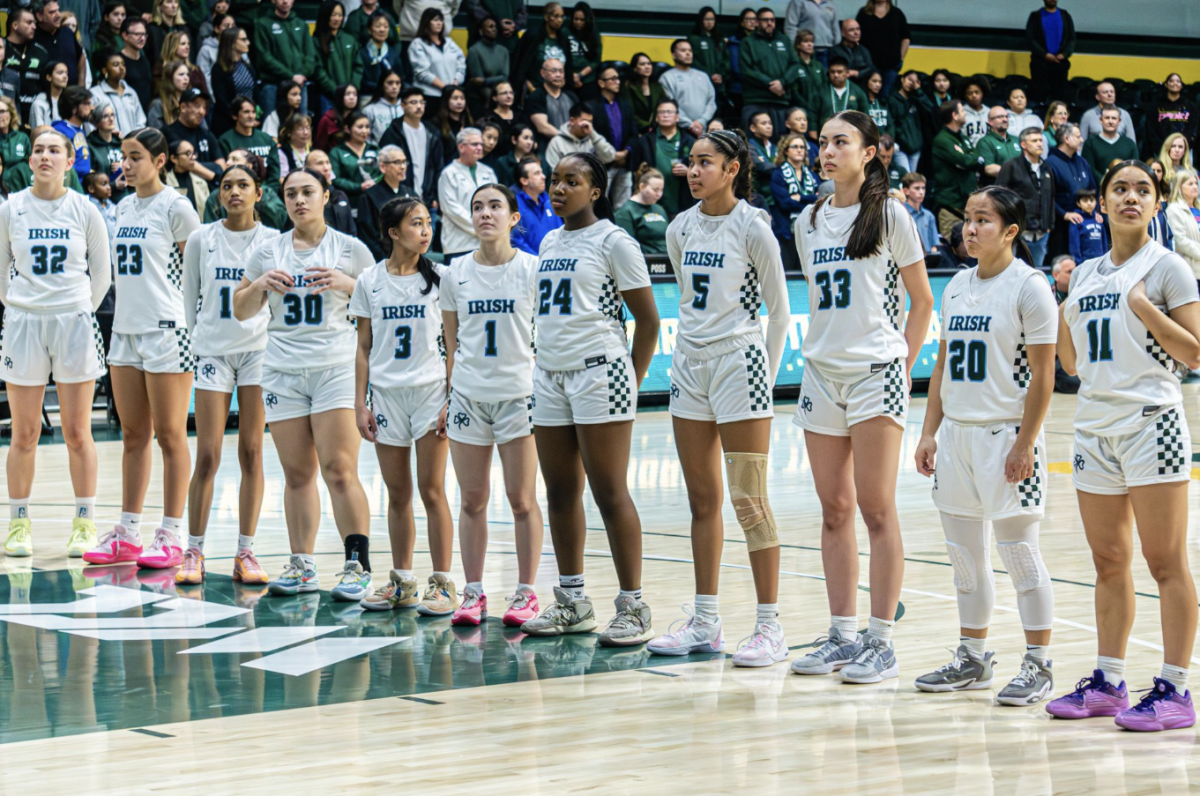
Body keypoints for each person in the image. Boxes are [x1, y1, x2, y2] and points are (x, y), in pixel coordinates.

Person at [1048, 159, 1200, 732]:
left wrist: (1142, 308)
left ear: (1156, 204)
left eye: (1143, 190)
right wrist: (1061, 302)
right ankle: (1109, 682)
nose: (1131, 197)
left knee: (1165, 563)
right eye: (1120, 190)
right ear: (1104, 203)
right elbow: (1069, 362)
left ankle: (1175, 690)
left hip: (1150, 423)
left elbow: (1195, 351)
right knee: (1109, 561)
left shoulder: (1169, 269)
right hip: (1093, 427)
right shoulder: (1084, 273)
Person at [789, 110, 933, 684]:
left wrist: (900, 358)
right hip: (821, 373)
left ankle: (881, 641)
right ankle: (841, 635)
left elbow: (921, 301)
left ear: (869, 152)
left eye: (840, 142)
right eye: (821, 142)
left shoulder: (891, 214)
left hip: (875, 373)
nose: (826, 151)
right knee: (834, 511)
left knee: (876, 509)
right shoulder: (808, 219)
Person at [647, 129, 792, 665]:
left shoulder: (753, 227)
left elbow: (779, 310)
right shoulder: (680, 227)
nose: (693, 171)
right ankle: (705, 623)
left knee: (749, 500)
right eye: (691, 162)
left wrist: (765, 379)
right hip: (689, 362)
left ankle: (769, 626)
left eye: (705, 162)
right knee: (702, 501)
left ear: (733, 169)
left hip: (741, 362)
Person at [913, 184, 1058, 704]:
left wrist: (1026, 442)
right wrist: (929, 431)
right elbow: (943, 368)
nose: (970, 229)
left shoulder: (1030, 287)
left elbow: (1044, 376)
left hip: (1005, 438)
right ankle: (972, 658)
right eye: (968, 220)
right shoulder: (954, 286)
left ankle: (1039, 664)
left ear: (1011, 231)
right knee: (964, 558)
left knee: (1019, 554)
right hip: (957, 437)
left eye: (983, 220)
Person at [516, 152, 659, 646]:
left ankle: (634, 606)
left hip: (601, 375)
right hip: (551, 375)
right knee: (559, 493)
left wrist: (630, 382)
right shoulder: (550, 240)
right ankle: (573, 601)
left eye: (571, 181)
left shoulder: (615, 241)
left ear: (595, 191)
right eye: (554, 180)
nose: (558, 188)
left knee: (609, 492)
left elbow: (649, 321)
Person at [232, 166, 376, 600]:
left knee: (338, 469)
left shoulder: (350, 250)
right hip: (281, 370)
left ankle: (357, 565)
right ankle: (302, 564)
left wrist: (347, 283)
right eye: (291, 193)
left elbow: (381, 302)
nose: (299, 200)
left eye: (308, 192)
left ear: (326, 195)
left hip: (335, 368)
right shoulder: (267, 252)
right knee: (296, 474)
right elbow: (240, 310)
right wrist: (258, 285)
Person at [82, 127, 202, 569]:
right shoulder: (122, 206)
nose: (125, 165)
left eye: (135, 157)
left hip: (169, 330)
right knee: (133, 435)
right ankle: (128, 533)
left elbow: (198, 273)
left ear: (160, 161)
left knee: (171, 435)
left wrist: (197, 326)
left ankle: (171, 534)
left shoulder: (177, 207)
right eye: (122, 157)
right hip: (126, 331)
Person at [435, 183, 546, 626]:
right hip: (468, 396)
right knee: (472, 499)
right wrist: (447, 396)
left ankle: (525, 593)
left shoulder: (533, 270)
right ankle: (474, 592)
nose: (485, 214)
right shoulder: (454, 273)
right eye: (478, 207)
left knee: (521, 499)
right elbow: (449, 342)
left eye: (495, 206)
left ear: (514, 218)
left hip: (519, 396)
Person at [0, 129, 111, 560]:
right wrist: (23, 307)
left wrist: (76, 308)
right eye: (38, 150)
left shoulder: (85, 210)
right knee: (24, 432)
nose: (45, 156)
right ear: (29, 161)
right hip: (24, 322)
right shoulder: (11, 209)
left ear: (69, 161)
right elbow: (1, 274)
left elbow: (101, 275)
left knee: (77, 431)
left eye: (54, 150)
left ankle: (85, 522)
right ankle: (18, 523)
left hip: (74, 323)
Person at [353, 197, 458, 616]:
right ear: (393, 232)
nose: (425, 230)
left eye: (428, 223)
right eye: (416, 223)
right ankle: (402, 580)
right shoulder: (369, 280)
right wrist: (360, 403)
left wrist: (454, 397)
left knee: (432, 491)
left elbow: (455, 344)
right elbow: (363, 347)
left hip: (431, 393)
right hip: (386, 396)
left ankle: (444, 584)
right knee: (398, 494)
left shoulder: (443, 279)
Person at [176, 164, 278, 585]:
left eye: (243, 185)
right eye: (227, 186)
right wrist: (194, 343)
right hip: (213, 350)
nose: (234, 191)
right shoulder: (202, 238)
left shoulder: (273, 240)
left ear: (258, 193)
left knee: (252, 452)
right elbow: (189, 295)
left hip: (258, 351)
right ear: (218, 194)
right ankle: (193, 551)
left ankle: (245, 551)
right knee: (207, 454)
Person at [996, 126, 1055, 267]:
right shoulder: (1011, 165)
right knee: (1014, 273)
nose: (1039, 144)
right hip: (1019, 232)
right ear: (1023, 144)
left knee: (1036, 273)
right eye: (1034, 140)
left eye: (1040, 140)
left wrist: (1049, 224)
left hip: (1042, 233)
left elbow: (1051, 197)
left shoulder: (1046, 167)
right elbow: (999, 196)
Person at [627, 98, 695, 219]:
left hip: (682, 204)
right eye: (661, 112)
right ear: (656, 118)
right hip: (651, 204)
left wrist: (688, 171)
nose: (665, 115)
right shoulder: (645, 141)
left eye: (669, 112)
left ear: (677, 117)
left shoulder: (690, 141)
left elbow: (700, 170)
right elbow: (635, 171)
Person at [437, 127, 497, 258]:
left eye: (481, 144)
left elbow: (496, 203)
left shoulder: (489, 172)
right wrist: (479, 225)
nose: (480, 148)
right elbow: (451, 208)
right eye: (475, 144)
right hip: (458, 245)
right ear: (461, 147)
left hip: (485, 243)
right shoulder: (448, 174)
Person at [379, 87, 444, 203]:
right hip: (399, 197)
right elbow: (385, 164)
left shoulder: (433, 133)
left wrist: (435, 196)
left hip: (427, 198)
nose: (418, 106)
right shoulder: (394, 132)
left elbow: (437, 166)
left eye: (422, 102)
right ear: (402, 105)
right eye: (413, 102)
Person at [252, 0, 316, 118]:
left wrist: (301, 75)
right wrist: (291, 76)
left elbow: (310, 55)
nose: (285, 1)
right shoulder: (262, 24)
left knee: (300, 125)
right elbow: (265, 57)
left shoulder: (301, 24)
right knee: (271, 127)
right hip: (273, 85)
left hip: (299, 84)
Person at [739, 7, 795, 134]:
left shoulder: (784, 40)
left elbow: (795, 65)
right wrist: (771, 84)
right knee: (753, 143)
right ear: (757, 22)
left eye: (772, 20)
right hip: (756, 100)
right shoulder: (748, 42)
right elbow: (747, 70)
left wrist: (782, 82)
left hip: (781, 100)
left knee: (780, 143)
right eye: (765, 20)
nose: (770, 23)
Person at [356, 145, 417, 260]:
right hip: (383, 260)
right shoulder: (369, 196)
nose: (403, 167)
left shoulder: (411, 194)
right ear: (383, 167)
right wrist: (386, 260)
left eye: (404, 162)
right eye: (397, 162)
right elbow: (368, 236)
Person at [586, 65, 634, 205]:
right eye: (612, 79)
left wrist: (626, 152)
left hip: (624, 163)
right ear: (601, 83)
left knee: (623, 205)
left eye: (618, 78)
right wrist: (612, 155)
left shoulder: (625, 105)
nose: (617, 82)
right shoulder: (591, 107)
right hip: (602, 164)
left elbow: (634, 133)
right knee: (599, 204)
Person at [769, 131, 818, 271]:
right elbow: (785, 203)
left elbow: (819, 200)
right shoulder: (778, 174)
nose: (799, 150)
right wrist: (810, 200)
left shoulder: (812, 175)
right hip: (786, 233)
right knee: (789, 274)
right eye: (795, 146)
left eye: (802, 147)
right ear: (786, 151)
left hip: (809, 232)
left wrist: (800, 197)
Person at [932, 99, 981, 236]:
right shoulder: (942, 140)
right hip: (950, 206)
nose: (965, 113)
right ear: (954, 115)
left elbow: (976, 156)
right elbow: (965, 161)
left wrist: (970, 158)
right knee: (952, 250)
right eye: (962, 111)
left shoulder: (963, 137)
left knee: (971, 251)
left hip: (967, 205)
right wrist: (969, 158)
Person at [509, 1, 571, 105]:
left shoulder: (563, 38)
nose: (560, 20)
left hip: (557, 93)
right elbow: (521, 67)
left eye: (562, 17)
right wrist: (532, 90)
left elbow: (568, 69)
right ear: (547, 17)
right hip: (534, 90)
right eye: (556, 16)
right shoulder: (533, 35)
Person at [1047, 122, 1095, 252]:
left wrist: (1096, 212)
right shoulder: (1050, 163)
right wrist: (1064, 214)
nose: (1082, 140)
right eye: (1078, 136)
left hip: (1085, 223)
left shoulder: (1082, 162)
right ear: (1066, 139)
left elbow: (1092, 189)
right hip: (1061, 227)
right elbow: (1047, 197)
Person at [218, 95, 281, 189]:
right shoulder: (225, 140)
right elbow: (227, 172)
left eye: (253, 112)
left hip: (267, 192)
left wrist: (267, 192)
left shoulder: (267, 139)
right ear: (235, 116)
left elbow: (274, 173)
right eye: (246, 112)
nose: (251, 116)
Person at [660, 38, 716, 139]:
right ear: (673, 55)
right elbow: (669, 106)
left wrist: (702, 121)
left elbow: (711, 103)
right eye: (683, 50)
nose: (688, 53)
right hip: (679, 131)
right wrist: (690, 124)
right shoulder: (666, 77)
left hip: (703, 129)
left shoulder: (703, 76)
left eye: (690, 51)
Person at [6, 8, 53, 126]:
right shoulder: (2, 49)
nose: (34, 27)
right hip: (6, 114)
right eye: (29, 22)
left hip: (34, 114)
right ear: (15, 25)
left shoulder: (41, 52)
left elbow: (47, 86)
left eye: (34, 23)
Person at [313, 0, 362, 112]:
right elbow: (318, 70)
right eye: (333, 15)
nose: (337, 19)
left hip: (351, 97)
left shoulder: (349, 39)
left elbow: (358, 66)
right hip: (328, 97)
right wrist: (337, 92)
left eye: (340, 15)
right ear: (325, 16)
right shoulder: (316, 41)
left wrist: (352, 91)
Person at [164, 87, 222, 177]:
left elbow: (221, 164)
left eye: (204, 107)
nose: (202, 112)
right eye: (197, 106)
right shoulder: (168, 133)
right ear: (183, 107)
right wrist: (213, 176)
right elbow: (185, 164)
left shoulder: (207, 134)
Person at [856, 0, 909, 98]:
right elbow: (857, 38)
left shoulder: (897, 14)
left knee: (886, 96)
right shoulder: (864, 13)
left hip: (891, 65)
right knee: (867, 97)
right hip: (869, 66)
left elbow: (905, 38)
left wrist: (901, 58)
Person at [208, 26, 255, 137]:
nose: (248, 42)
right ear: (232, 43)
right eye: (243, 40)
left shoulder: (248, 66)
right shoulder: (218, 68)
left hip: (247, 122)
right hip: (226, 123)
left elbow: (255, 94)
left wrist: (253, 115)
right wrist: (237, 117)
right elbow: (221, 99)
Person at [409, 8, 464, 101]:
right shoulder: (418, 44)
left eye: (441, 20)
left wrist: (455, 83)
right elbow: (422, 72)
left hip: (451, 95)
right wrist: (445, 87)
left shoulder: (450, 43)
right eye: (435, 20)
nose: (439, 23)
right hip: (429, 95)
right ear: (426, 22)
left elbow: (461, 64)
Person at [330, 111, 381, 209]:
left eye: (367, 127)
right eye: (360, 127)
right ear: (347, 129)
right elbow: (335, 178)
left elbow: (384, 172)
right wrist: (359, 186)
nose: (365, 131)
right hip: (350, 202)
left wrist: (375, 183)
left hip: (375, 200)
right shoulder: (337, 152)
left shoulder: (375, 149)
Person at [1025, 0, 1073, 103]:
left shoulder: (1065, 15)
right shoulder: (1035, 16)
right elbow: (1031, 39)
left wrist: (1065, 54)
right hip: (1040, 64)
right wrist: (1044, 55)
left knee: (1059, 98)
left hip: (1060, 64)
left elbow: (1071, 39)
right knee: (1038, 95)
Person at [613, 163, 667, 254]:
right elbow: (625, 248)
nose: (659, 194)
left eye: (661, 190)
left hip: (666, 262)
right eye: (655, 190)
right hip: (644, 262)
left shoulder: (659, 209)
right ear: (641, 186)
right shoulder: (625, 212)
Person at [1146, 73, 1199, 164]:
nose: (1174, 83)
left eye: (1178, 81)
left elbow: (1193, 129)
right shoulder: (1155, 106)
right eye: (1171, 81)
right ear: (1166, 84)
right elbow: (1151, 129)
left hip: (1184, 150)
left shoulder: (1191, 107)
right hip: (1161, 149)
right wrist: (1164, 146)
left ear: (1181, 86)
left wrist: (1183, 145)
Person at [91, 50, 147, 135]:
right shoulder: (95, 94)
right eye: (116, 65)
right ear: (105, 71)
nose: (122, 68)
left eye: (123, 64)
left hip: (132, 144)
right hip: (108, 145)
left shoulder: (131, 92)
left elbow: (141, 122)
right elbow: (91, 125)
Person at [544, 102, 614, 171]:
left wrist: (593, 134)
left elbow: (608, 158)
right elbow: (552, 172)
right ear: (572, 121)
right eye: (584, 121)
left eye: (590, 122)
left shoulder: (593, 139)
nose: (587, 125)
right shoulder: (557, 142)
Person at [510, 155, 558, 254]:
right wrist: (537, 261)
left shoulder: (548, 201)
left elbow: (560, 232)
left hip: (555, 263)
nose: (543, 177)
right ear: (524, 180)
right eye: (537, 173)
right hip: (530, 265)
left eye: (542, 172)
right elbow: (517, 241)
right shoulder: (515, 206)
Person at [1082, 107, 1139, 185]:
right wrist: (1104, 181)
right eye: (1107, 118)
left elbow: (1135, 167)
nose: (1110, 121)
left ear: (1119, 121)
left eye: (1114, 118)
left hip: (1125, 188)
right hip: (1098, 190)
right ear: (1101, 120)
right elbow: (1089, 167)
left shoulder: (1130, 144)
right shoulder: (1090, 143)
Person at [34, 0, 84, 87]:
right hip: (44, 95)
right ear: (39, 16)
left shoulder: (67, 33)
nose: (58, 15)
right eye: (52, 12)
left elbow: (81, 58)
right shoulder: (33, 37)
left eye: (58, 10)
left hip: (71, 93)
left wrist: (81, 85)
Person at [465, 16, 508, 117]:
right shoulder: (474, 51)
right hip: (481, 99)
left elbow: (505, 77)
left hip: (500, 96)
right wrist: (493, 100)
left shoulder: (503, 51)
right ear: (481, 31)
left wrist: (486, 81)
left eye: (496, 27)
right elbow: (478, 82)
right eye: (490, 26)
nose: (494, 29)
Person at [306, 149, 356, 234]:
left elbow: (352, 230)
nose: (326, 168)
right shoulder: (305, 198)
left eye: (327, 162)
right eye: (320, 163)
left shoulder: (340, 195)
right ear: (308, 169)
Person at [687, 7, 729, 108]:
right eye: (707, 19)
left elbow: (726, 60)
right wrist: (709, 75)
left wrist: (721, 75)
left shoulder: (719, 39)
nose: (710, 22)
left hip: (719, 86)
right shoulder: (693, 39)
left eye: (712, 19)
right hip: (701, 84)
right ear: (701, 20)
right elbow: (693, 61)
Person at [814, 57, 868, 130]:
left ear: (847, 73)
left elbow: (865, 116)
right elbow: (813, 116)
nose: (836, 75)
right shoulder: (821, 90)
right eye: (832, 72)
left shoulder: (857, 91)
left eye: (839, 72)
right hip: (826, 134)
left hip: (851, 135)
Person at [52, 85, 92, 179]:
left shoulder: (79, 129)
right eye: (87, 103)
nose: (92, 107)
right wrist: (86, 171)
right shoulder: (60, 131)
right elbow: (60, 163)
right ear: (74, 108)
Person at [974, 105, 1020, 187]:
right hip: (997, 190)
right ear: (990, 122)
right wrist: (1017, 172)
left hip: (1019, 188)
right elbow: (989, 169)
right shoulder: (985, 142)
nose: (1005, 119)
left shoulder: (1017, 140)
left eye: (1006, 116)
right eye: (1000, 117)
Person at [1166, 170, 1200, 280]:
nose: (1195, 186)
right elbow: (1180, 241)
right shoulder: (1174, 209)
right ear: (1179, 187)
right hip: (1190, 271)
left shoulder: (1199, 207)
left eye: (1196, 183)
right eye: (1190, 184)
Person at [619, 53, 664, 135]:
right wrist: (647, 126)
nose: (647, 67)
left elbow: (665, 105)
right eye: (642, 64)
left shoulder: (657, 87)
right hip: (635, 131)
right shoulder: (628, 87)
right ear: (635, 68)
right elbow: (628, 113)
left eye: (649, 64)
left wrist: (656, 125)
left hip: (657, 129)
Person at [784, 0, 837, 66]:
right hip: (804, 50)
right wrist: (794, 47)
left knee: (824, 75)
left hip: (826, 50)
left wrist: (836, 46)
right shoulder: (798, 2)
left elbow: (835, 28)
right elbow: (790, 27)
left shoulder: (829, 3)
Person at [565, 2, 600, 99]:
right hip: (568, 77)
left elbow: (596, 61)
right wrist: (571, 76)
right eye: (576, 19)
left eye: (582, 20)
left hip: (588, 80)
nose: (578, 22)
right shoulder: (565, 32)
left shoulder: (593, 34)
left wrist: (579, 76)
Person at [362, 68, 404, 146]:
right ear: (382, 84)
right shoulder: (370, 110)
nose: (394, 87)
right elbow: (366, 137)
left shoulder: (406, 107)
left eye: (397, 83)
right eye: (390, 83)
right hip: (379, 151)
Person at [789, 29, 825, 117]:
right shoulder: (794, 65)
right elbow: (794, 91)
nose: (810, 44)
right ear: (798, 45)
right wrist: (807, 106)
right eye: (806, 41)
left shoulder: (818, 65)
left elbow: (825, 86)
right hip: (801, 110)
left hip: (819, 110)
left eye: (812, 41)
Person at [119, 17, 153, 111]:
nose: (142, 38)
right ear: (125, 36)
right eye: (137, 34)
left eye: (144, 34)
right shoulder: (118, 61)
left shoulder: (145, 60)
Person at [900, 172, 938, 255]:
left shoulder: (929, 216)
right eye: (917, 188)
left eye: (923, 188)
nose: (921, 192)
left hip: (927, 261)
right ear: (906, 191)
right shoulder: (900, 214)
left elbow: (934, 245)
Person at [1064, 186, 1105, 263]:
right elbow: (1074, 246)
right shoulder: (1076, 220)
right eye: (1085, 201)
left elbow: (1104, 243)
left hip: (1100, 262)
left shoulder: (1098, 219)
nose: (1089, 203)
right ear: (1078, 203)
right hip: (1084, 263)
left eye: (1092, 200)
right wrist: (1078, 263)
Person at [145, 0, 186, 74]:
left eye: (176, 2)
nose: (174, 6)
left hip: (181, 72)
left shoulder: (183, 28)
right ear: (159, 6)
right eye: (169, 2)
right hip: (160, 74)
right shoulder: (151, 30)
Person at [314, 83, 358, 153]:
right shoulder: (328, 118)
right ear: (340, 97)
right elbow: (319, 145)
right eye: (348, 94)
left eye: (355, 94)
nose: (352, 97)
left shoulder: (359, 118)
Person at [145, 58, 188, 130]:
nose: (186, 78)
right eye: (181, 74)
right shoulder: (158, 104)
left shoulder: (190, 102)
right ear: (170, 77)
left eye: (188, 74)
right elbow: (156, 135)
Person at [830, 18, 873, 84]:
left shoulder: (863, 50)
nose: (856, 33)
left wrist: (857, 73)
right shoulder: (835, 51)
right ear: (842, 33)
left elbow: (871, 68)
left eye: (858, 29)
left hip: (862, 85)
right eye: (851, 30)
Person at [434, 85, 473, 153]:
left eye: (462, 98)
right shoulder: (437, 123)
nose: (459, 102)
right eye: (455, 98)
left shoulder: (468, 122)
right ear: (446, 100)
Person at [30, 60, 69, 128]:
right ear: (49, 77)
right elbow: (39, 131)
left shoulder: (70, 102)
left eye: (66, 73)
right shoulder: (39, 103)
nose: (65, 76)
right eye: (60, 73)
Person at [277, 110, 312, 181]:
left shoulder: (313, 151)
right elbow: (282, 180)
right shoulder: (283, 152)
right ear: (289, 132)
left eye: (307, 128)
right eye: (301, 128)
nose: (306, 132)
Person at [85, 170, 119, 238]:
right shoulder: (86, 208)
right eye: (104, 184)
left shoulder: (114, 208)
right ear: (91, 189)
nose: (109, 187)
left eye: (109, 184)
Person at [960, 77, 990, 149]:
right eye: (970, 93)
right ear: (965, 95)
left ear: (982, 93)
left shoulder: (990, 112)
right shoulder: (961, 112)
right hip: (968, 151)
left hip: (988, 151)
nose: (974, 95)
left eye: (977, 92)